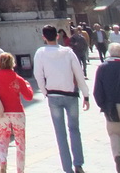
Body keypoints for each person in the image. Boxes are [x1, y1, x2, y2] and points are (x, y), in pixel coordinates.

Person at [34, 24, 89, 173]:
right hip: (70, 94)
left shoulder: (40, 52)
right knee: (74, 130)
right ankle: (78, 164)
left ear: (44, 37)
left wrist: (45, 92)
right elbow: (78, 73)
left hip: (53, 94)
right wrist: (86, 95)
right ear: (57, 36)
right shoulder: (68, 52)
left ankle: (67, 168)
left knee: (60, 133)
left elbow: (38, 75)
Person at [0, 52, 34, 173]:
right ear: (13, 63)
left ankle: (2, 163)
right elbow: (29, 96)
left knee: (2, 141)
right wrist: (28, 85)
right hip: (17, 112)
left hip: (1, 113)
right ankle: (20, 169)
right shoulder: (18, 78)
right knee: (20, 142)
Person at [94, 41, 120, 173]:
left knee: (115, 134)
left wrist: (103, 106)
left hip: (112, 107)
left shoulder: (102, 68)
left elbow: (97, 91)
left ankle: (118, 157)